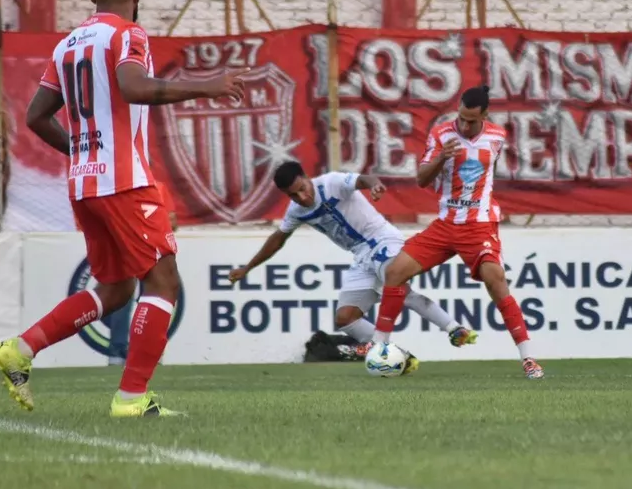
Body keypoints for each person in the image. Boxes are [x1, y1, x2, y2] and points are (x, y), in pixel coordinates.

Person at [0, 0, 246, 417]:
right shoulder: (129, 34)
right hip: (124, 182)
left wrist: (82, 152)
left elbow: (35, 117)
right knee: (163, 282)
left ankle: (21, 349)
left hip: (85, 184)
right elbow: (134, 88)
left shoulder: (67, 45)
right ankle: (131, 398)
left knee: (115, 290)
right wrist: (207, 84)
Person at [228, 162, 477, 374]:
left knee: (396, 284)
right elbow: (278, 239)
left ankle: (455, 329)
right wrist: (247, 268)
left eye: (302, 189)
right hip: (360, 256)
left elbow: (363, 179)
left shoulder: (332, 183)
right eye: (293, 195)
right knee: (345, 318)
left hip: (382, 239)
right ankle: (398, 356)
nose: (301, 197)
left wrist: (374, 185)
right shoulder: (296, 211)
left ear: (306, 178)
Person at [373, 85, 544, 379]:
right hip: (445, 224)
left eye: (471, 120)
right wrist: (441, 157)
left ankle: (528, 358)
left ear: (484, 116)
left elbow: (484, 177)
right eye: (461, 118)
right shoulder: (441, 134)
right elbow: (422, 180)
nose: (464, 125)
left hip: (478, 226)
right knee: (395, 271)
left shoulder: (497, 137)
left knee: (496, 280)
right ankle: (378, 347)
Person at [104, 181, 179, 366]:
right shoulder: (117, 187)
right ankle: (117, 350)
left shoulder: (159, 187)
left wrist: (149, 223)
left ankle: (149, 351)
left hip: (153, 250)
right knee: (123, 298)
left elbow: (172, 220)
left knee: (154, 299)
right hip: (126, 248)